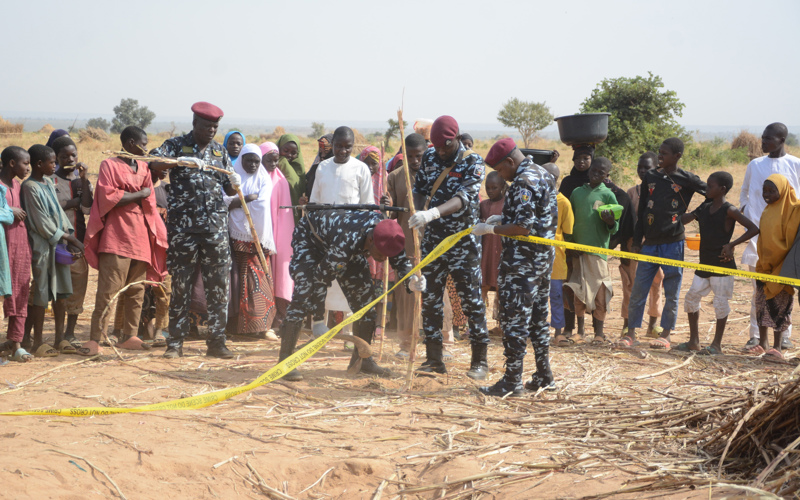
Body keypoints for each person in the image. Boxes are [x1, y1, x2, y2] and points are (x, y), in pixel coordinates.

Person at [275, 212, 425, 381]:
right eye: (381, 254)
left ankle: (363, 361)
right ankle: (285, 361)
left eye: (386, 255)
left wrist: (411, 280)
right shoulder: (346, 243)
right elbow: (320, 279)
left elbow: (400, 259)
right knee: (304, 293)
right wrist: (318, 320)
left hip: (346, 243)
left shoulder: (388, 233)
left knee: (366, 302)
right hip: (311, 240)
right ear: (370, 241)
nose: (383, 259)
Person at [149, 101, 243, 359]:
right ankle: (175, 343)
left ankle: (216, 342)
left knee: (218, 287)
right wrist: (178, 161)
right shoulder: (176, 145)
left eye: (215, 126)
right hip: (184, 230)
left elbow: (229, 189)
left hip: (215, 230)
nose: (211, 131)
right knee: (181, 285)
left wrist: (235, 182)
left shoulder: (219, 152)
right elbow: (154, 163)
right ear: (194, 124)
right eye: (206, 126)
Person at [408, 115, 489, 379]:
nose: (441, 152)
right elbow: (419, 188)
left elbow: (463, 198)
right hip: (433, 241)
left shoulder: (473, 161)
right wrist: (419, 211)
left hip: (462, 242)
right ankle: (434, 359)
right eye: (437, 147)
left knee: (471, 302)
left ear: (455, 138)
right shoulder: (431, 157)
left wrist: (432, 214)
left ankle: (479, 362)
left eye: (445, 146)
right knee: (430, 300)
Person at [476, 138, 557, 396]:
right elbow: (538, 215)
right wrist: (504, 218)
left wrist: (492, 228)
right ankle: (544, 375)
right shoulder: (542, 172)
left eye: (501, 170)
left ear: (510, 162)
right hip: (543, 262)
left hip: (523, 264)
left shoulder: (523, 181)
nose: (502, 176)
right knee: (538, 320)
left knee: (515, 322)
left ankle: (512, 382)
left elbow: (523, 228)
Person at [81, 126, 168, 356]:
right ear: (130, 143)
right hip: (116, 236)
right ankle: (95, 338)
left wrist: (132, 196)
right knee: (107, 291)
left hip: (140, 237)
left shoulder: (143, 168)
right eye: (143, 144)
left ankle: (130, 335)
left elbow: (149, 199)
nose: (146, 148)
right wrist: (138, 194)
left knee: (136, 291)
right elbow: (108, 197)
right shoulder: (109, 165)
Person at [623, 138, 706, 350]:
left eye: (665, 153)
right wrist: (638, 239)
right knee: (639, 290)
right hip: (649, 243)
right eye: (659, 152)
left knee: (671, 290)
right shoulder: (651, 176)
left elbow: (712, 193)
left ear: (677, 156)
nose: (660, 156)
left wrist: (694, 214)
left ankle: (666, 335)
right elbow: (642, 210)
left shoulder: (686, 178)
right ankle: (631, 333)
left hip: (673, 242)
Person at [678, 171, 758, 355]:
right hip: (704, 262)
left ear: (722, 189)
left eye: (710, 186)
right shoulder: (705, 207)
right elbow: (684, 220)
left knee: (720, 303)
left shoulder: (729, 210)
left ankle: (716, 344)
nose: (706, 188)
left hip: (722, 265)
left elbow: (753, 228)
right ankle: (694, 341)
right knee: (691, 298)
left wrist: (732, 244)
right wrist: (693, 210)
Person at [309, 126, 377, 340]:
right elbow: (314, 204)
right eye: (339, 146)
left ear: (352, 147)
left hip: (352, 240)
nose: (343, 151)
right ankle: (317, 333)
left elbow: (368, 206)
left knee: (351, 291)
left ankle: (349, 335)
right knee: (321, 284)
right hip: (325, 239)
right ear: (333, 145)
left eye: (348, 147)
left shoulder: (361, 169)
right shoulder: (322, 168)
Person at [739, 123, 800, 351]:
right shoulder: (755, 165)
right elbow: (744, 191)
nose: (763, 143)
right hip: (758, 236)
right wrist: (747, 210)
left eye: (768, 139)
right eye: (763, 138)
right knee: (759, 288)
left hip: (787, 240)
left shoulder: (795, 164)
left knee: (785, 288)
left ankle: (784, 336)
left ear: (782, 139)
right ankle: (756, 335)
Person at [22, 144, 84, 357]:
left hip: (58, 245)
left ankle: (59, 338)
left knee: (61, 292)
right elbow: (41, 223)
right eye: (52, 162)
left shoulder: (48, 182)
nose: (55, 165)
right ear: (39, 164)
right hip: (43, 246)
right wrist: (69, 237)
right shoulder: (29, 187)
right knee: (41, 292)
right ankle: (37, 342)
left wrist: (68, 237)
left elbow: (59, 212)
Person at [224, 144, 277, 338]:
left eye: (256, 161)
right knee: (236, 281)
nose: (253, 165)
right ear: (241, 161)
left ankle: (259, 325)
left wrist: (238, 202)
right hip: (235, 237)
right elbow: (224, 201)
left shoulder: (264, 180)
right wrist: (245, 199)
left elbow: (261, 205)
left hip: (257, 240)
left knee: (257, 280)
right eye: (249, 160)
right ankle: (235, 326)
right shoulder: (232, 178)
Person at [564, 158, 618, 343]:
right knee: (579, 290)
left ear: (606, 176)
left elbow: (614, 227)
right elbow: (570, 221)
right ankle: (580, 331)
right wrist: (571, 245)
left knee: (600, 291)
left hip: (598, 252)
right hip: (578, 252)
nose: (596, 174)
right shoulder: (577, 193)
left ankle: (599, 334)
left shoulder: (608, 195)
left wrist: (611, 223)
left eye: (601, 173)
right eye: (593, 170)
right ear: (589, 171)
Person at [386, 133, 427, 359]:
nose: (415, 161)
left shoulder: (436, 175)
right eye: (410, 156)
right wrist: (387, 205)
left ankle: (443, 342)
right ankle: (405, 343)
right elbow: (392, 213)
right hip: (408, 247)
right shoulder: (395, 176)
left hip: (432, 246)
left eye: (419, 156)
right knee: (406, 296)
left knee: (436, 297)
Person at [50, 136, 93, 348]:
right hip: (57, 244)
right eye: (64, 156)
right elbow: (52, 208)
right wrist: (71, 203)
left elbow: (87, 209)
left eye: (73, 155)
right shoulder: (50, 181)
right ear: (56, 158)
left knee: (78, 288)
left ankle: (70, 333)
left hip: (78, 244)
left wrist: (84, 181)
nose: (70, 159)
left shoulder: (80, 182)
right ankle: (58, 335)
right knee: (59, 291)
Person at [753, 174, 800, 360]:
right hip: (765, 265)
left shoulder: (795, 210)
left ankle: (777, 347)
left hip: (784, 265)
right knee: (761, 305)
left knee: (780, 307)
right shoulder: (767, 210)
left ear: (783, 190)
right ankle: (763, 343)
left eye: (772, 191)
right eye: (765, 190)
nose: (767, 194)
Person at [622, 152, 663, 338]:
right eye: (640, 167)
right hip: (634, 245)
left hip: (654, 245)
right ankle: (627, 324)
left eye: (648, 168)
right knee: (631, 283)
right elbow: (626, 221)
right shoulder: (632, 193)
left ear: (657, 168)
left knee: (656, 282)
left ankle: (653, 324)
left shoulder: (663, 191)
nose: (643, 171)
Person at [0, 147, 32, 361]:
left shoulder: (19, 186)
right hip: (3, 245)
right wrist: (10, 210)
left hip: (20, 244)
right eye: (24, 163)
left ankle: (16, 342)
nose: (28, 168)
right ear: (12, 163)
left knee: (21, 289)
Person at [558, 145, 593, 337]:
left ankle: (583, 328)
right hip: (568, 242)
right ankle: (569, 327)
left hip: (588, 243)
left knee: (588, 286)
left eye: (586, 158)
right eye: (578, 158)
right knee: (568, 286)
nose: (581, 162)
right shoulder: (568, 182)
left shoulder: (595, 183)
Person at [261, 141, 293, 336]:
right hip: (260, 234)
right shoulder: (256, 178)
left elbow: (286, 215)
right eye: (269, 161)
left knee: (281, 274)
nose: (273, 165)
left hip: (279, 235)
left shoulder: (281, 181)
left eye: (276, 161)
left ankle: (279, 320)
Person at [541, 162, 574, 346]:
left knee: (556, 294)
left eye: (551, 177)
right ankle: (539, 329)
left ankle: (558, 332)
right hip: (536, 256)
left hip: (556, 256)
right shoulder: (536, 198)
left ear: (557, 180)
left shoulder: (564, 203)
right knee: (538, 295)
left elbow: (567, 231)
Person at [479, 171, 506, 330]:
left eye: (494, 187)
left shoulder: (507, 205)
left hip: (501, 252)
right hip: (486, 252)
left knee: (501, 287)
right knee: (483, 285)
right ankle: (478, 322)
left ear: (502, 187)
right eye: (488, 188)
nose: (490, 191)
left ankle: (500, 324)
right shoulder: (483, 206)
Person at [277, 133, 306, 209]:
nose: (289, 155)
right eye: (286, 151)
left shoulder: (299, 169)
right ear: (279, 148)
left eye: (293, 153)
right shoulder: (273, 165)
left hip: (295, 211)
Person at [305, 133, 333, 200]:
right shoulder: (316, 167)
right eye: (320, 150)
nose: (322, 155)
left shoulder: (336, 170)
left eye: (326, 151)